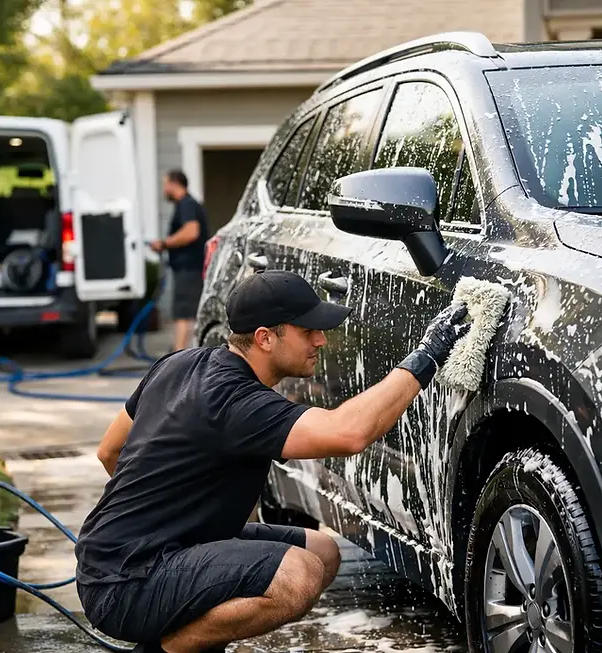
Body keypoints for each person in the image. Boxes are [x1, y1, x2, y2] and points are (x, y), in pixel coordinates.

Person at [75, 270, 470, 653]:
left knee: (322, 552)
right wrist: (428, 354)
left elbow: (109, 451)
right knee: (298, 575)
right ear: (265, 338)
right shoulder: (237, 402)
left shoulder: (177, 364)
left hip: (127, 555)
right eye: (306, 331)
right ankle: (171, 648)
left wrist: (179, 517)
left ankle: (189, 632)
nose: (321, 340)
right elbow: (350, 433)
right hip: (124, 581)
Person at [150, 169, 209, 352]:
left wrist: (165, 243)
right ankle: (183, 353)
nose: (164, 189)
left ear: (175, 184)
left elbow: (191, 232)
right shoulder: (186, 204)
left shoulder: (187, 205)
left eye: (165, 184)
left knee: (184, 314)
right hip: (188, 268)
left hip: (189, 268)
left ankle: (179, 355)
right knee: (187, 312)